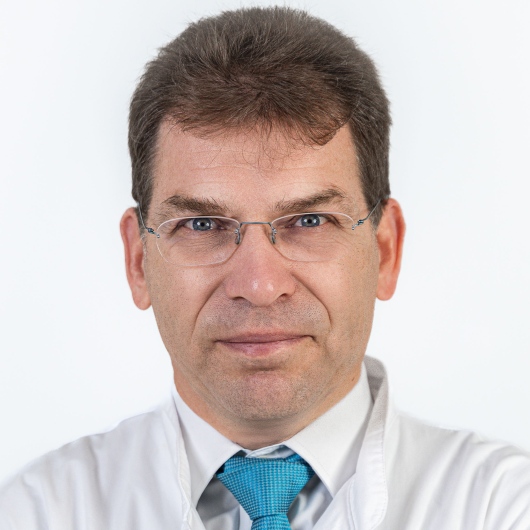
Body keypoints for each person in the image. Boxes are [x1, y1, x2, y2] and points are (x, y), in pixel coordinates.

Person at [1, 6, 529, 530]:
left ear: (384, 251)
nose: (258, 285)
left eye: (310, 221)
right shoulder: (36, 513)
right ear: (138, 261)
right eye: (202, 225)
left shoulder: (504, 508)